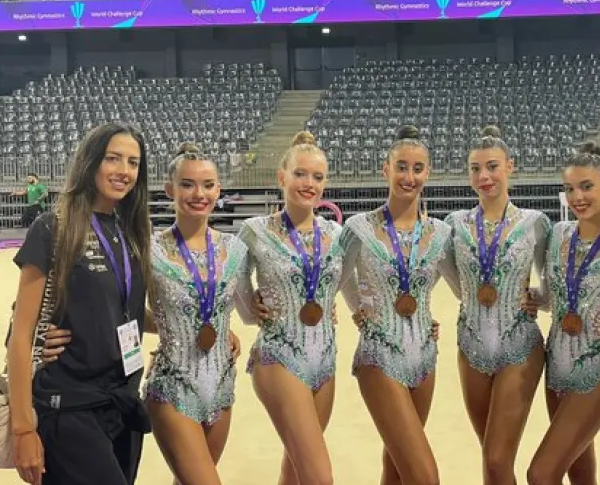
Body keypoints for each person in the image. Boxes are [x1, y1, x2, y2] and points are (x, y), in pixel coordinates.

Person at [7, 122, 153, 485]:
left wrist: (195, 324)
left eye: (133, 163)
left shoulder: (131, 231)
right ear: (90, 162)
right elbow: (21, 331)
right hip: (68, 405)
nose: (124, 171)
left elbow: (125, 308)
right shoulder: (52, 228)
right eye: (113, 159)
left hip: (121, 402)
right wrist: (23, 429)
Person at [526, 141, 600, 485]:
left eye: (587, 186)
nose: (577, 196)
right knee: (579, 470)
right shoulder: (558, 234)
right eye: (570, 189)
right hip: (557, 366)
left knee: (541, 473)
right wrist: (530, 298)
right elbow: (554, 297)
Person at [340, 125, 451, 485]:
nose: (409, 176)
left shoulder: (439, 231)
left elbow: (460, 286)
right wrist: (364, 308)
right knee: (424, 476)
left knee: (397, 469)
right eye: (401, 166)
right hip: (379, 354)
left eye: (418, 168)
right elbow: (335, 281)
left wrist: (416, 303)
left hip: (425, 355)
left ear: (428, 173)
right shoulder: (359, 227)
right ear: (385, 169)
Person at [236, 131, 348, 485]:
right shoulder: (255, 231)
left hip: (325, 360)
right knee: (319, 477)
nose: (309, 183)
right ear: (281, 176)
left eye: (317, 176)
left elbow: (350, 282)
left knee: (295, 471)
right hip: (278, 356)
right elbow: (235, 289)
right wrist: (251, 308)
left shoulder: (334, 234)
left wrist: (331, 303)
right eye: (300, 174)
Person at [440, 126, 550, 484]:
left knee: (498, 459)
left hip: (519, 346)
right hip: (470, 346)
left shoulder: (535, 223)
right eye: (475, 169)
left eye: (492, 167)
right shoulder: (454, 225)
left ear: (509, 167)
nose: (484, 176)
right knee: (491, 459)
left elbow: (553, 284)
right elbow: (454, 282)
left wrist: (537, 297)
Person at [142, 142, 251, 485]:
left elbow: (244, 306)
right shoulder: (148, 249)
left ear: (219, 189)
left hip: (221, 384)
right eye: (187, 184)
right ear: (169, 189)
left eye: (207, 185)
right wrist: (173, 328)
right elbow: (123, 310)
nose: (198, 194)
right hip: (172, 385)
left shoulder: (235, 249)